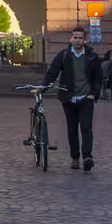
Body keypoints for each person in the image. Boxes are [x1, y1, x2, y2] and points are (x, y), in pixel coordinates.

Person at [43, 27, 103, 171]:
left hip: (86, 98)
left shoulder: (92, 56)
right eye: (75, 37)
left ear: (85, 40)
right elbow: (52, 74)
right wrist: (41, 88)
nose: (77, 40)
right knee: (72, 129)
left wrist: (93, 94)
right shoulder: (63, 56)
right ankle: (75, 158)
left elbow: (98, 77)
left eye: (80, 38)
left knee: (86, 128)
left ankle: (87, 157)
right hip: (68, 98)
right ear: (70, 39)